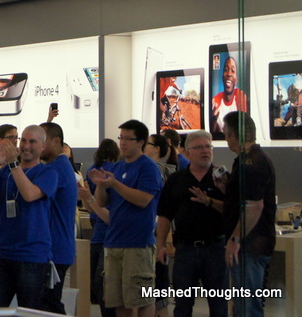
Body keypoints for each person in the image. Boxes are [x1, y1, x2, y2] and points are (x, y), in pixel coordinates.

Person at [0, 124, 57, 310]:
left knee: (29, 312)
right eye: (23, 140)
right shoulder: (4, 173)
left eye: (32, 142)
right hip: (2, 254)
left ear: (43, 146)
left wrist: (13, 164)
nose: (26, 146)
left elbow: (30, 194)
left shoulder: (48, 172)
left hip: (32, 257)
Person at [89, 119, 162, 317]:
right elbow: (102, 203)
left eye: (128, 139)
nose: (123, 143)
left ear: (141, 142)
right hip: (113, 241)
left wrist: (115, 185)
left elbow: (143, 200)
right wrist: (102, 185)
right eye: (121, 138)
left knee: (141, 298)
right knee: (118, 299)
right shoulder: (117, 167)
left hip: (137, 243)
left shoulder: (148, 167)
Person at [156, 130, 227, 317]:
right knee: (182, 305)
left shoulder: (223, 178)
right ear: (188, 152)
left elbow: (233, 211)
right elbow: (164, 215)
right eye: (199, 147)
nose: (205, 151)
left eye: (208, 146)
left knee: (219, 304)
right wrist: (161, 245)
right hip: (185, 250)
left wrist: (211, 201)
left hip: (216, 249)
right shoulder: (176, 180)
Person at [222, 111, 276, 317]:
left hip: (250, 246)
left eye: (226, 134)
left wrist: (235, 239)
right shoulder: (246, 161)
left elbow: (254, 206)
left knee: (247, 307)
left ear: (234, 136)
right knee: (243, 304)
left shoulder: (251, 163)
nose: (226, 139)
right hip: (248, 245)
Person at [39, 122, 78, 314]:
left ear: (56, 141)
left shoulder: (55, 169)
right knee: (48, 303)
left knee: (49, 304)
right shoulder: (61, 167)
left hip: (55, 250)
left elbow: (32, 196)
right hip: (57, 248)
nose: (38, 145)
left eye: (41, 140)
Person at [79, 138, 120, 317]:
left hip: (103, 234)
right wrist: (90, 198)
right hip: (100, 233)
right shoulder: (113, 171)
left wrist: (90, 199)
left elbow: (102, 212)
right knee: (100, 284)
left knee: (101, 284)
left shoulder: (94, 171)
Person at [143, 133, 177, 317]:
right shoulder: (166, 170)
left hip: (157, 233)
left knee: (158, 282)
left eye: (146, 143)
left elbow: (165, 208)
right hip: (152, 233)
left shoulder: (159, 171)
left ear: (157, 149)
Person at [211, 57, 249, 134]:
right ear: (222, 78)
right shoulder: (215, 100)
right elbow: (214, 133)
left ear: (236, 80)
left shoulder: (241, 97)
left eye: (233, 71)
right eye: (226, 70)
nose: (229, 74)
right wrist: (214, 119)